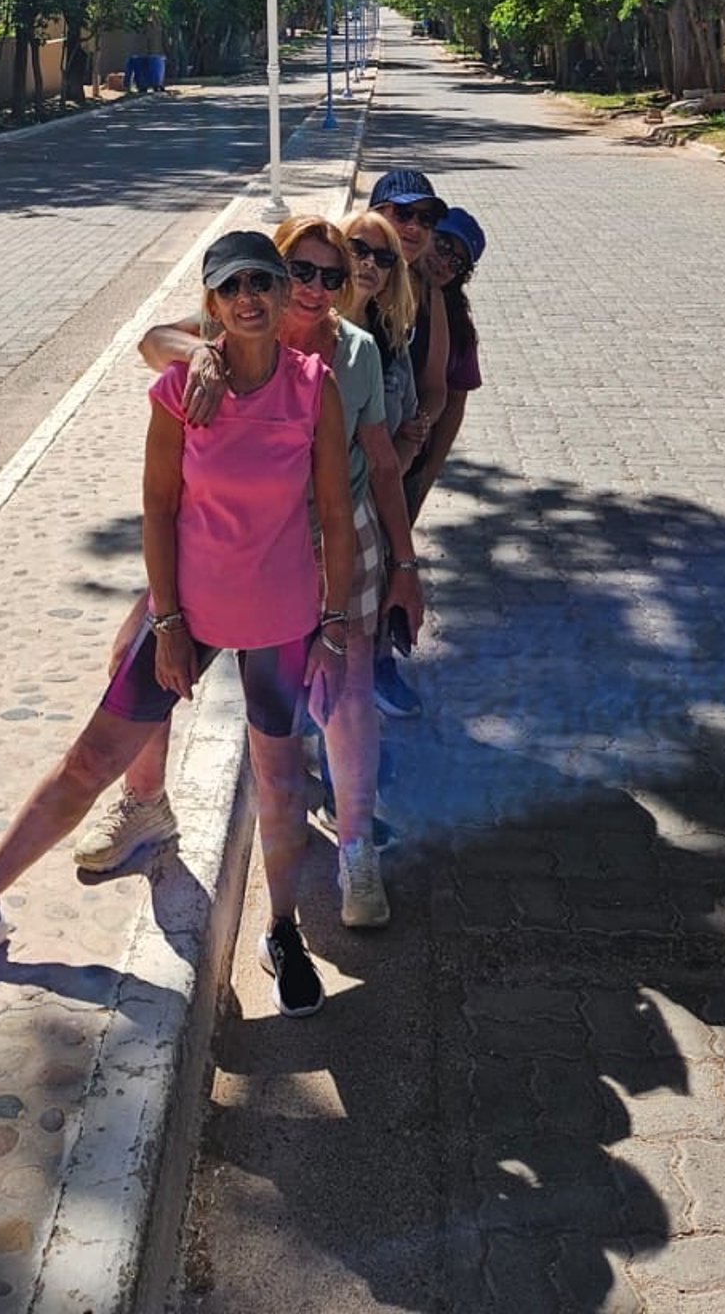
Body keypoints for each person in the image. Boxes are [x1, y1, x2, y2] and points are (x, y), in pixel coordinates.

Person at [0, 229, 356, 1016]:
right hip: (192, 608)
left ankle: (283, 929)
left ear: (284, 297)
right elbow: (158, 507)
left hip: (285, 617)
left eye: (263, 282)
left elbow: (332, 511)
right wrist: (172, 619)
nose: (250, 297)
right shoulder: (183, 389)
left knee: (282, 782)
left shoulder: (313, 384)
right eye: (232, 288)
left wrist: (334, 622)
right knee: (90, 761)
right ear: (213, 304)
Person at [76, 214, 422, 929]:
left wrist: (405, 564)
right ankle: (145, 806)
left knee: (344, 696)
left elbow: (382, 462)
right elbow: (151, 342)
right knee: (135, 655)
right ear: (270, 269)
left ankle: (357, 849)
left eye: (334, 277)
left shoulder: (351, 354)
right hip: (225, 541)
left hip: (330, 538)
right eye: (303, 271)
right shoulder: (229, 328)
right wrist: (197, 356)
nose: (316, 288)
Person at [360, 170, 448, 719]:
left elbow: (436, 388)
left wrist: (416, 436)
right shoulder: (336, 287)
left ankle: (373, 677)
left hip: (393, 464)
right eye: (402, 214)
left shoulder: (427, 298)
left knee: (383, 574)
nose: (413, 228)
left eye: (425, 219)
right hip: (340, 479)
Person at [405, 206, 486, 523]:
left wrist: (423, 484)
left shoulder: (456, 326)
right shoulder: (379, 283)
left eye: (457, 263)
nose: (444, 262)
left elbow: (453, 404)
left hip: (409, 459)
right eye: (443, 245)